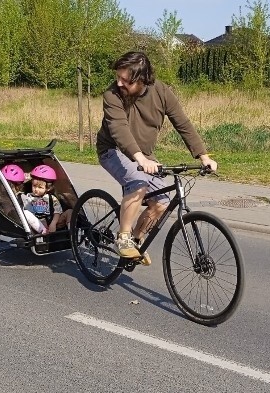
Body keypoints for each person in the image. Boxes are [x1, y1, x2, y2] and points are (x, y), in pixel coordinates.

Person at [96, 51, 217, 266]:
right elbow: (119, 130)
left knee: (161, 203)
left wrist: (203, 155)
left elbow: (182, 123)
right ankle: (122, 239)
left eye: (125, 80)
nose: (119, 83)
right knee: (138, 182)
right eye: (118, 77)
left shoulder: (161, 91)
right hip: (113, 150)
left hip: (144, 155)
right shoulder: (112, 95)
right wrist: (140, 159)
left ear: (142, 79)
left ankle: (135, 239)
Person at [20, 165, 69, 235]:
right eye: (34, 186)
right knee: (25, 213)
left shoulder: (51, 198)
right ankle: (43, 231)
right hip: (37, 224)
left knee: (70, 212)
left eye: (40, 187)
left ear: (48, 188)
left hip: (52, 222)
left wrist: (53, 223)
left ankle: (71, 231)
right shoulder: (28, 197)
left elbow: (57, 212)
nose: (36, 189)